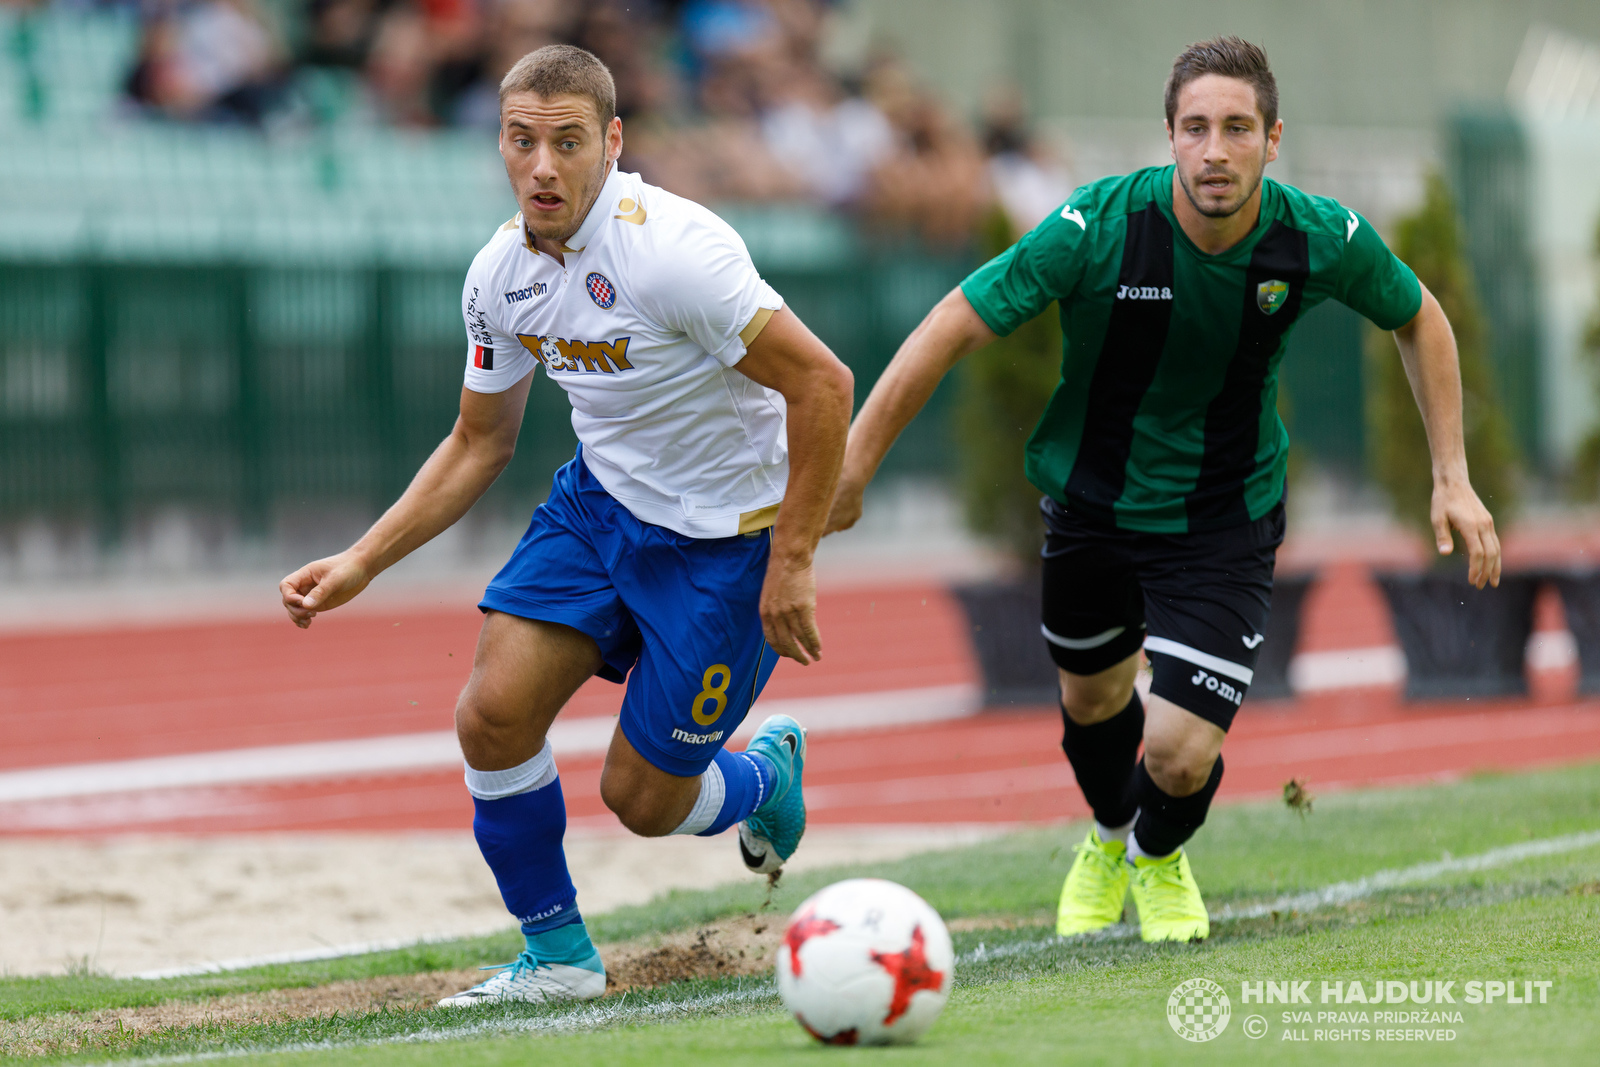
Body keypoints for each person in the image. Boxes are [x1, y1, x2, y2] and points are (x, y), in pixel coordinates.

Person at [824, 36, 1500, 942]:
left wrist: (1451, 476)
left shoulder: (1315, 236)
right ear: (1169, 137)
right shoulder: (1097, 226)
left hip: (1225, 517)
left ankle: (1155, 855)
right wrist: (857, 465)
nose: (1214, 149)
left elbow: (1420, 315)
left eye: (1236, 128)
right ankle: (1107, 836)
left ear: (1272, 138)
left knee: (1181, 753)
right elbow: (954, 322)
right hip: (1092, 507)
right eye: (1195, 128)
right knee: (1093, 704)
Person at [279, 43, 853, 1002]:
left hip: (726, 543)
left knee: (639, 800)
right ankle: (558, 957)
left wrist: (791, 559)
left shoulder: (675, 252)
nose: (543, 166)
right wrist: (362, 561)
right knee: (491, 713)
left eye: (568, 142)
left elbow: (823, 384)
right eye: (521, 141)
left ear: (612, 143)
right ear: (499, 145)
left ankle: (763, 783)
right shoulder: (498, 276)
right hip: (599, 508)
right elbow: (477, 443)